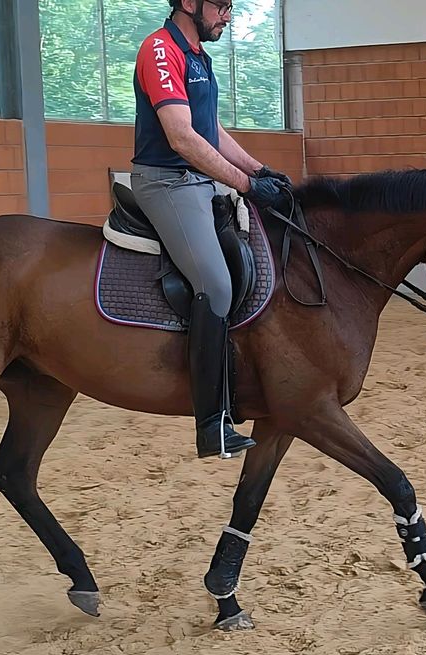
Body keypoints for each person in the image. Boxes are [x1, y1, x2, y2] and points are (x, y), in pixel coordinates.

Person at [130, 0, 290, 459]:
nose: (227, 15)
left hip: (198, 181)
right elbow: (181, 137)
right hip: (167, 182)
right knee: (216, 285)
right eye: (221, 5)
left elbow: (210, 130)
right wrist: (246, 185)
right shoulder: (161, 50)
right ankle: (211, 424)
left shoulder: (198, 54)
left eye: (230, 7)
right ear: (188, 3)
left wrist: (261, 171)